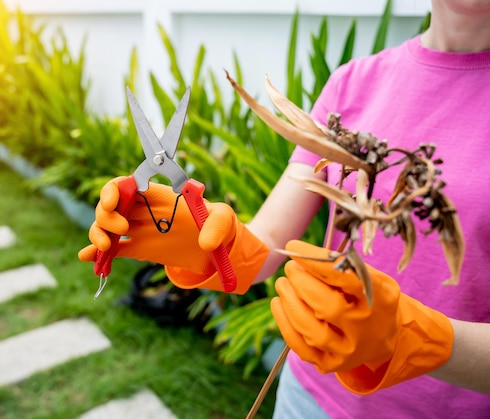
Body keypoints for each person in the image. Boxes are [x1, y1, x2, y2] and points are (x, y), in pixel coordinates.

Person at [79, 0, 490, 416]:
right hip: (307, 398)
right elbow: (269, 242)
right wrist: (197, 242)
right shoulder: (353, 84)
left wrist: (423, 339)